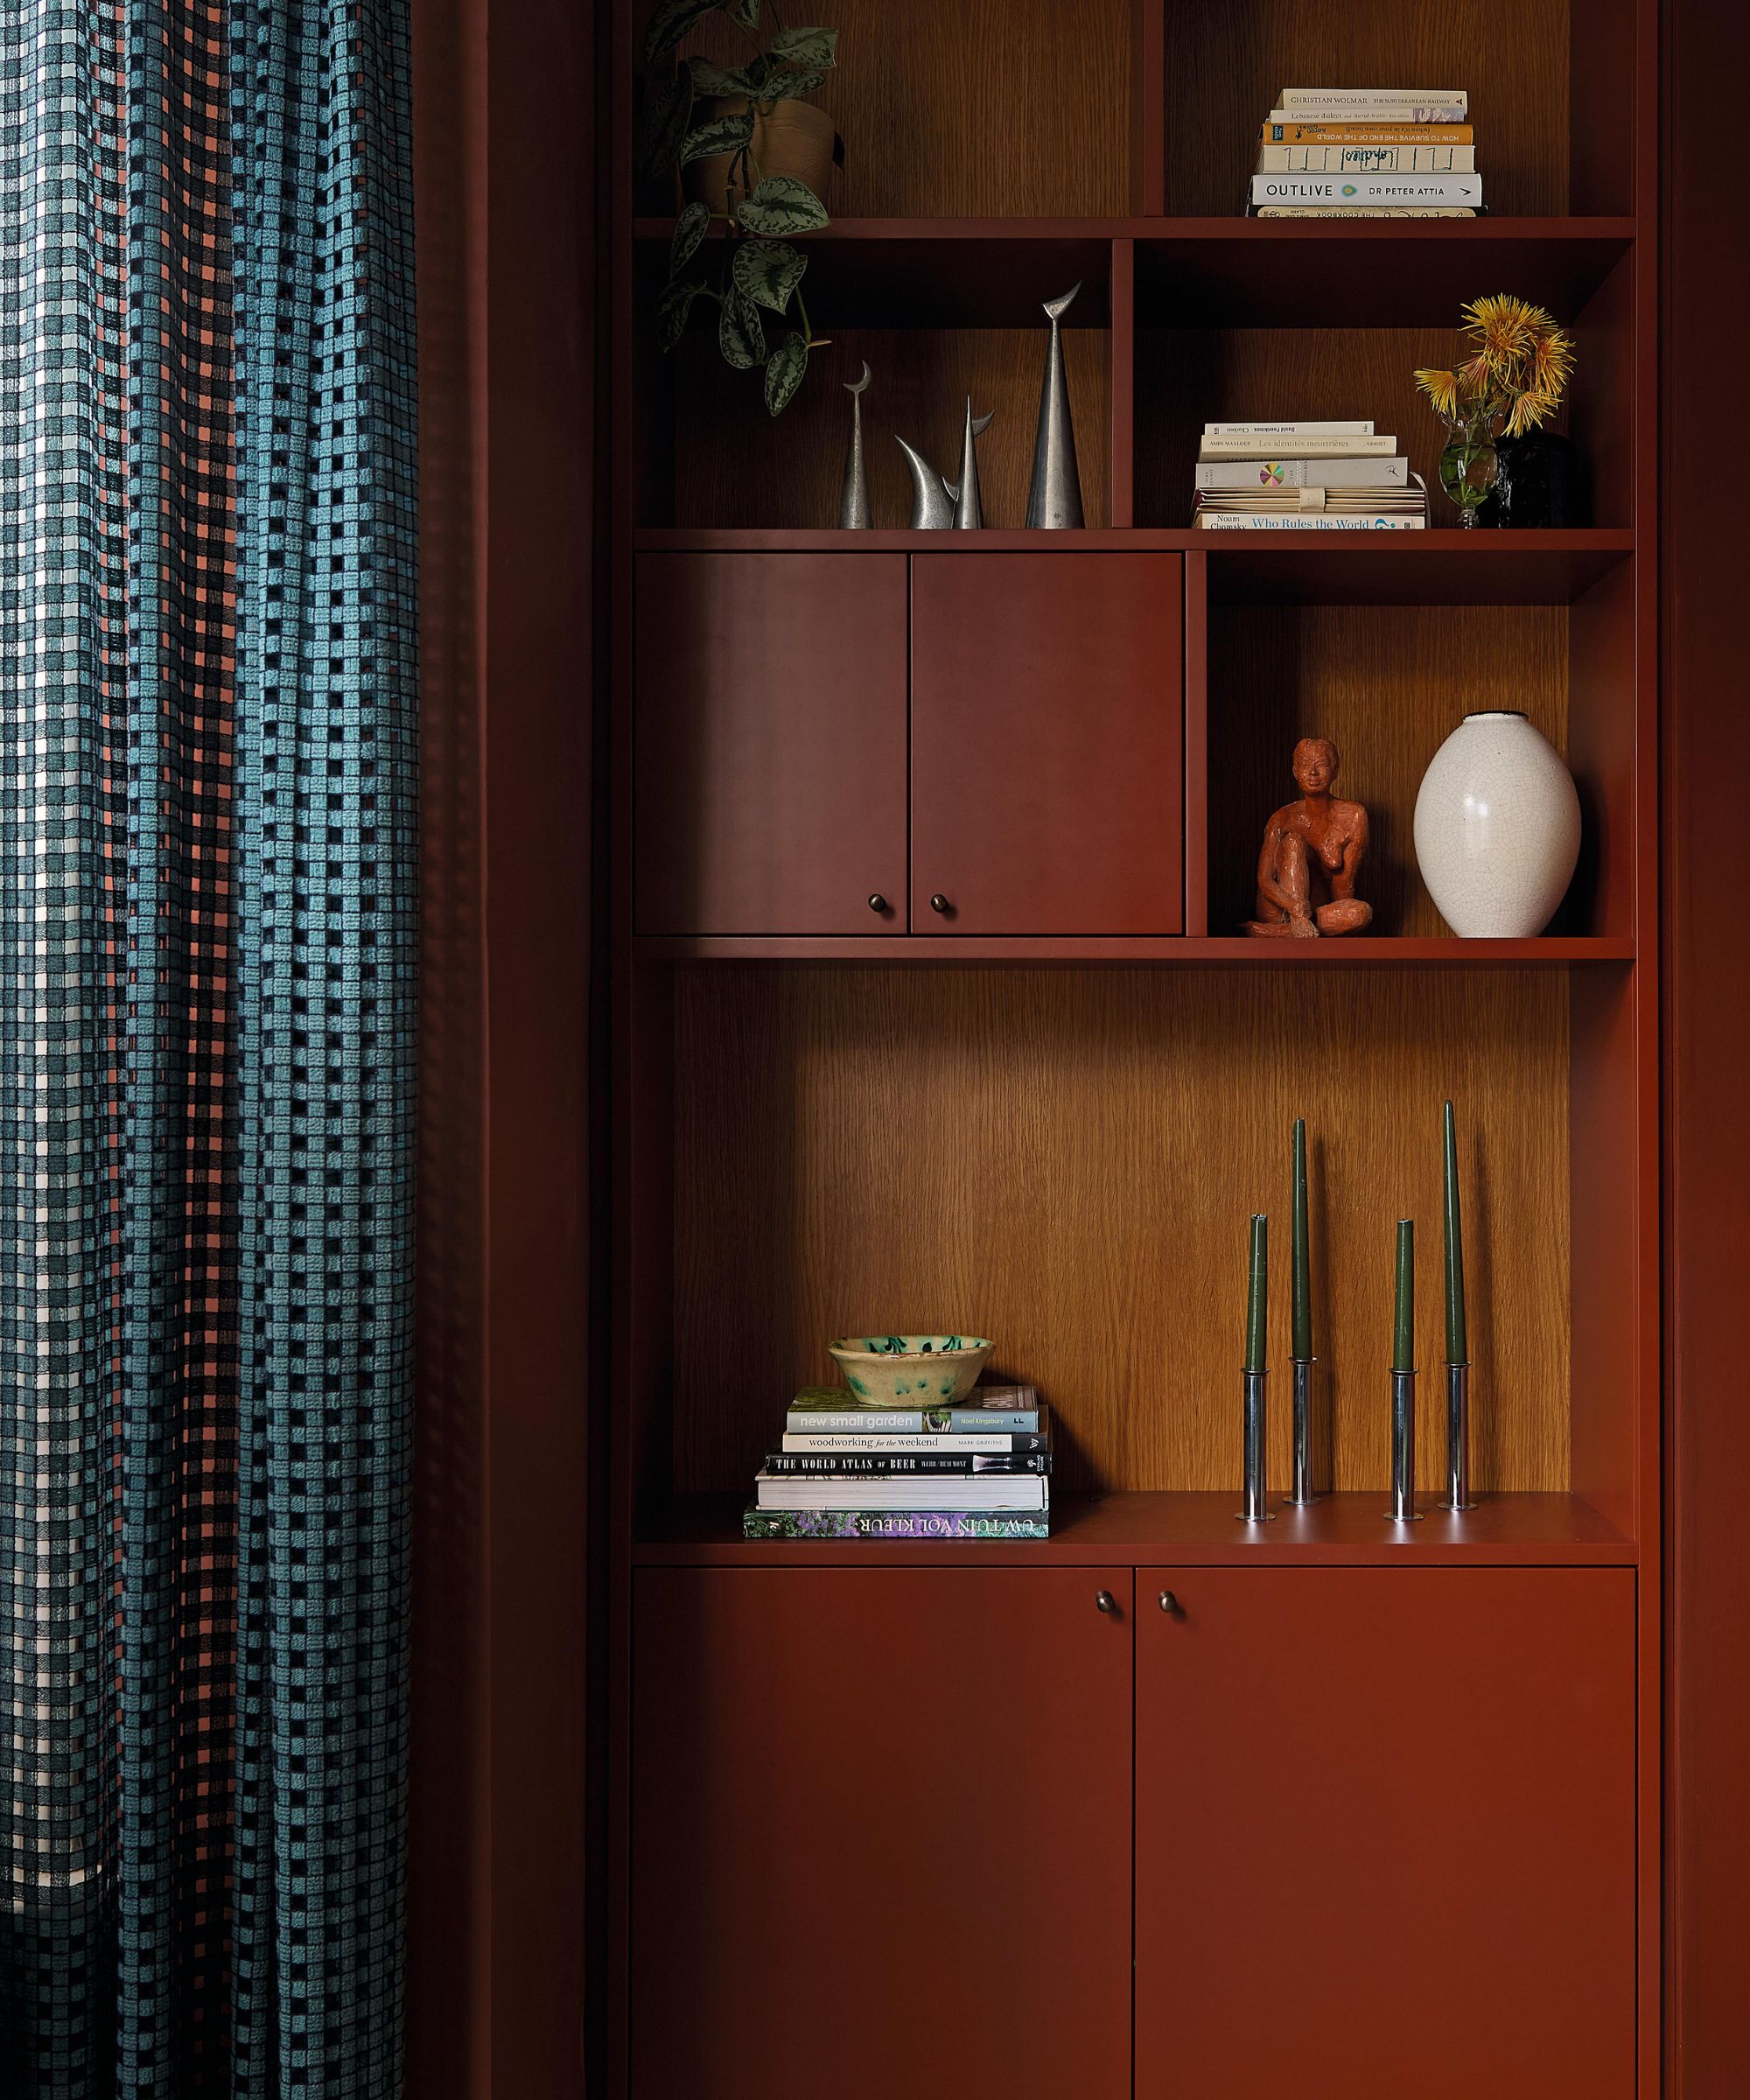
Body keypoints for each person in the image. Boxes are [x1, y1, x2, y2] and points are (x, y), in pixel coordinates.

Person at [1243, 736, 1372, 938]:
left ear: (1335, 771)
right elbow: (1264, 880)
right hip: (1279, 908)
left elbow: (1345, 882)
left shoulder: (1353, 816)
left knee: (1361, 912)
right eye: (1305, 765)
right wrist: (1295, 908)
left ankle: (1272, 933)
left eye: (1322, 764)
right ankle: (1295, 925)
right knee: (1294, 842)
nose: (1313, 772)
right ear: (1295, 772)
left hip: (1316, 911)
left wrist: (1344, 919)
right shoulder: (1282, 819)